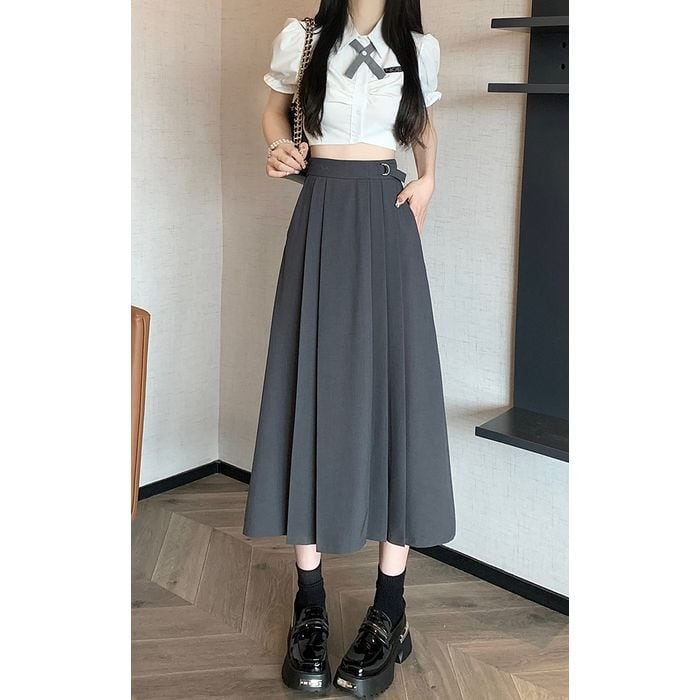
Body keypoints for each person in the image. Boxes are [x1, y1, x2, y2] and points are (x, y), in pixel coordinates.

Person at [241, 0, 456, 695]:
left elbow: (422, 124)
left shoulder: (417, 46)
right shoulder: (303, 39)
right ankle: (310, 604)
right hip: (320, 213)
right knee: (309, 387)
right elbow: (275, 110)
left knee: (396, 392)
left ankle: (390, 608)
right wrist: (279, 146)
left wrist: (428, 177)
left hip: (387, 219)